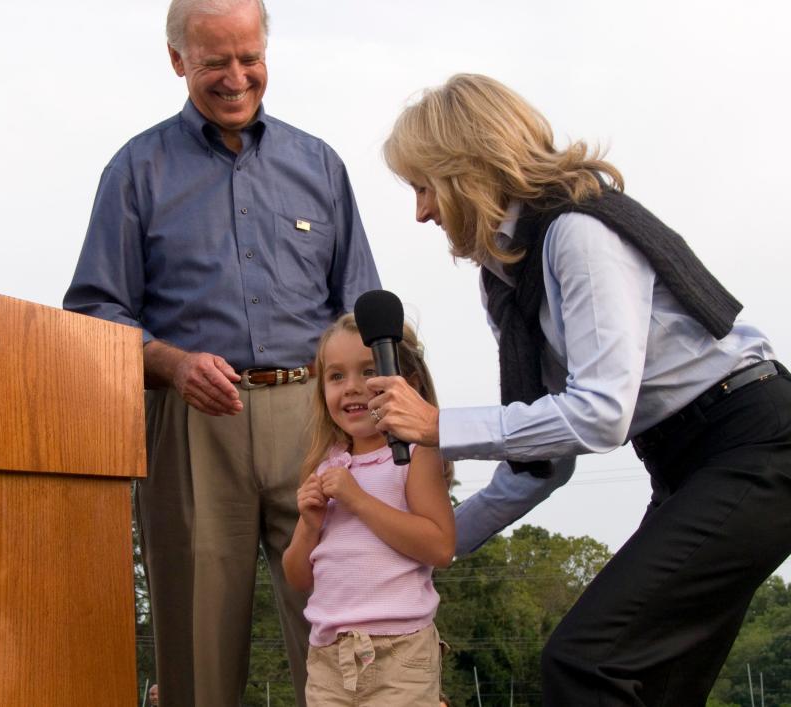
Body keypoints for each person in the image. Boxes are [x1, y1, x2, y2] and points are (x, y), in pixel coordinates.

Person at [370, 73, 791, 706]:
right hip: (688, 461)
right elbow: (540, 466)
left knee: (589, 661)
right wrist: (430, 545)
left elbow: (598, 417)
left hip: (755, 445)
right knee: (652, 685)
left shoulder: (578, 232)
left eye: (424, 187)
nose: (421, 211)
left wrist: (439, 427)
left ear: (470, 170)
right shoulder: (507, 277)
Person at [62, 1, 380, 704]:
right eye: (215, 62)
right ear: (178, 60)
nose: (237, 78)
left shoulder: (319, 165)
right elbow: (93, 310)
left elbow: (360, 309)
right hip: (191, 424)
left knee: (346, 637)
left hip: (317, 425)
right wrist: (172, 363)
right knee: (198, 653)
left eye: (250, 58)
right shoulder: (135, 171)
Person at [282, 313, 455, 706]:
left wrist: (358, 500)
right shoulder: (326, 465)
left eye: (369, 371)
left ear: (406, 384)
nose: (353, 388)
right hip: (327, 656)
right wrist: (309, 526)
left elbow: (441, 546)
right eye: (337, 376)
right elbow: (296, 577)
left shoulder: (415, 455)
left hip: (400, 653)